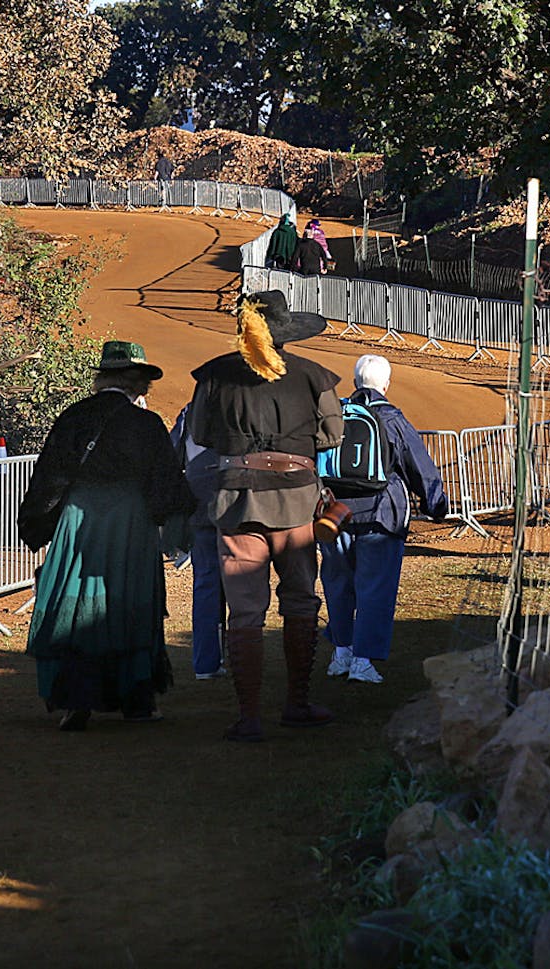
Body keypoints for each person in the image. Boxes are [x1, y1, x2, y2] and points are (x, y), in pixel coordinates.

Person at [188, 290, 343, 742]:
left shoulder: (214, 375)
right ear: (287, 332)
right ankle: (296, 704)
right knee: (300, 601)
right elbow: (333, 435)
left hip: (237, 503)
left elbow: (200, 432)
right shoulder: (314, 376)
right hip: (295, 503)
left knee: (244, 611)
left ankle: (249, 716)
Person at [18, 342, 193, 731]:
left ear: (103, 377)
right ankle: (137, 703)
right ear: (139, 383)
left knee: (76, 603)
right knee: (131, 605)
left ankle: (75, 701)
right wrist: (176, 522)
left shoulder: (73, 416)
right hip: (130, 524)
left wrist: (37, 523)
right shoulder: (146, 425)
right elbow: (166, 481)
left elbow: (50, 475)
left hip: (78, 523)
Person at [320, 355, 450, 684]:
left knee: (337, 583)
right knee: (375, 587)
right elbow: (416, 462)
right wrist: (436, 504)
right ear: (387, 384)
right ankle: (363, 661)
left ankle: (341, 652)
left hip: (335, 513)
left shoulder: (337, 412)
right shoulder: (391, 417)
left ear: (354, 381)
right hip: (381, 513)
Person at [169, 402, 227, 680]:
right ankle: (239, 659)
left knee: (206, 583)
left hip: (201, 502)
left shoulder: (191, 410)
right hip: (239, 503)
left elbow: (172, 454)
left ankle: (207, 662)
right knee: (245, 586)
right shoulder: (246, 403)